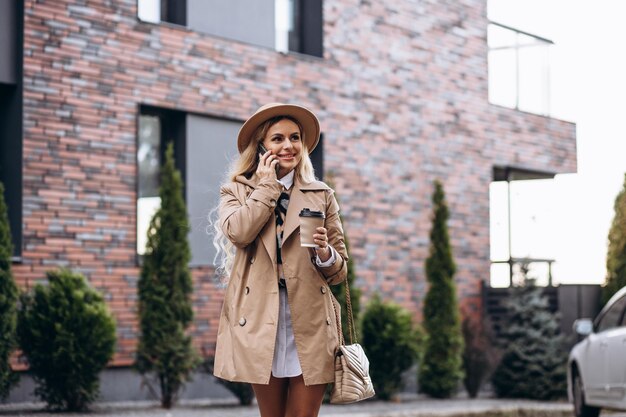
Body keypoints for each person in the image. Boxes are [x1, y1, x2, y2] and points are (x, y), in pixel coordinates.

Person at [211, 103, 348, 417]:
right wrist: (267, 185)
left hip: (311, 319)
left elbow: (340, 271)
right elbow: (240, 232)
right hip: (261, 318)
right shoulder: (236, 190)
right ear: (261, 147)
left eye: (295, 137)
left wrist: (325, 254)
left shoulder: (320, 194)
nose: (289, 145)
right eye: (278, 139)